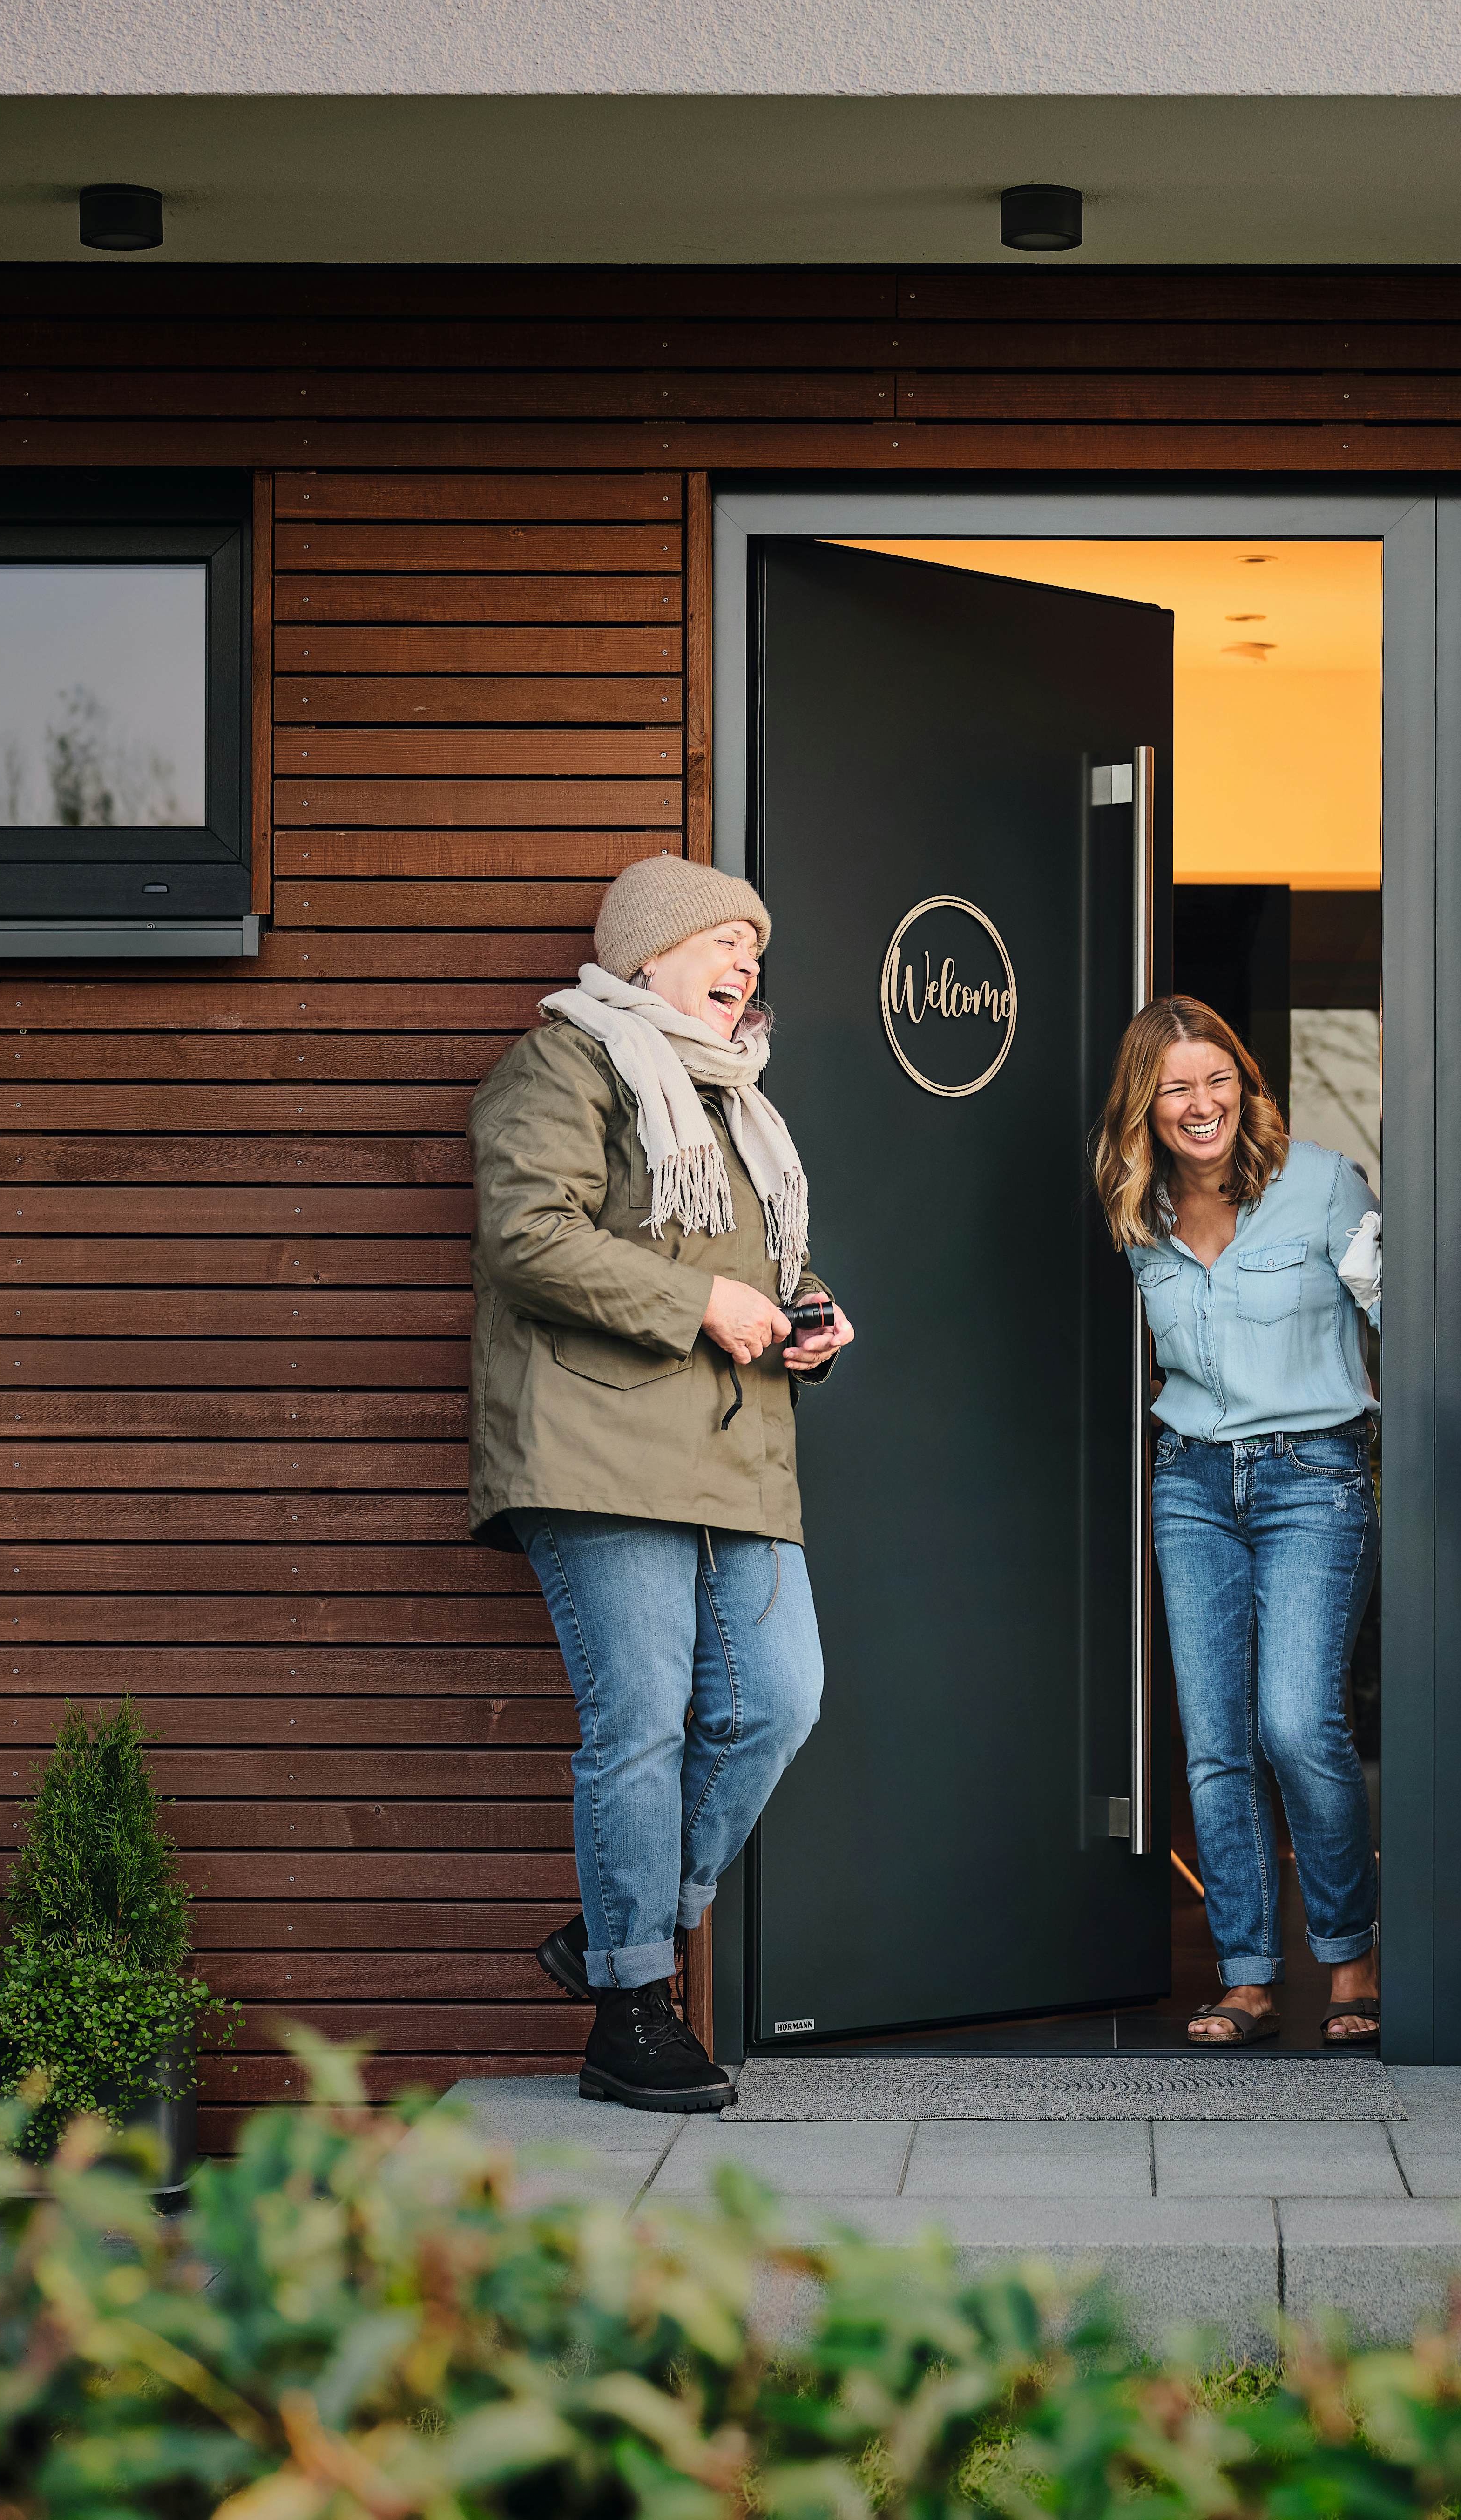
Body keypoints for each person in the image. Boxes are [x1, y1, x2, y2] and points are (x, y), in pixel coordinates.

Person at [467, 853, 857, 2112]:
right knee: (639, 1719)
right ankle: (630, 2007)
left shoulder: (738, 1104)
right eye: (720, 942)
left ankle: (610, 1936)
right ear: (645, 956)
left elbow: (763, 1268)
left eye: (755, 948)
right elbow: (530, 1235)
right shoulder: (565, 1064)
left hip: (734, 1455)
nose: (746, 965)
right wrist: (703, 1302)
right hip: (595, 1448)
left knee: (780, 1700)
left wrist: (808, 1315)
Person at [1095, 996, 1386, 2047]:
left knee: (1296, 1722)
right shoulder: (1137, 1209)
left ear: (1245, 1084)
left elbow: (1406, 1307)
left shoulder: (1322, 1184)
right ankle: (1249, 1975)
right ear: (1147, 1105)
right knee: (1214, 1741)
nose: (1200, 1102)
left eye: (1216, 1078)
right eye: (1174, 1087)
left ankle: (1350, 1960)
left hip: (1316, 1474)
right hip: (1191, 1483)